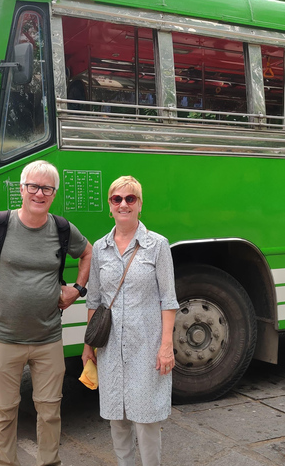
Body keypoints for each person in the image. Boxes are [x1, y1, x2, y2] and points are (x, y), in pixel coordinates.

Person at [0, 160, 92, 466]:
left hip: (48, 338)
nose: (39, 194)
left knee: (50, 410)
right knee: (4, 411)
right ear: (22, 190)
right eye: (33, 187)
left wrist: (77, 289)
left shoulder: (62, 229)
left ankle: (49, 462)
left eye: (47, 188)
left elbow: (88, 252)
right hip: (4, 338)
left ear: (54, 193)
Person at [82, 176, 178, 466]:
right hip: (110, 349)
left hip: (146, 347)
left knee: (146, 420)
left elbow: (169, 300)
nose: (123, 204)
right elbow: (95, 301)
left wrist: (166, 346)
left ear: (139, 205)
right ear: (110, 206)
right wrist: (89, 346)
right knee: (117, 419)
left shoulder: (158, 246)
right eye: (117, 199)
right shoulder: (99, 248)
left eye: (130, 199)